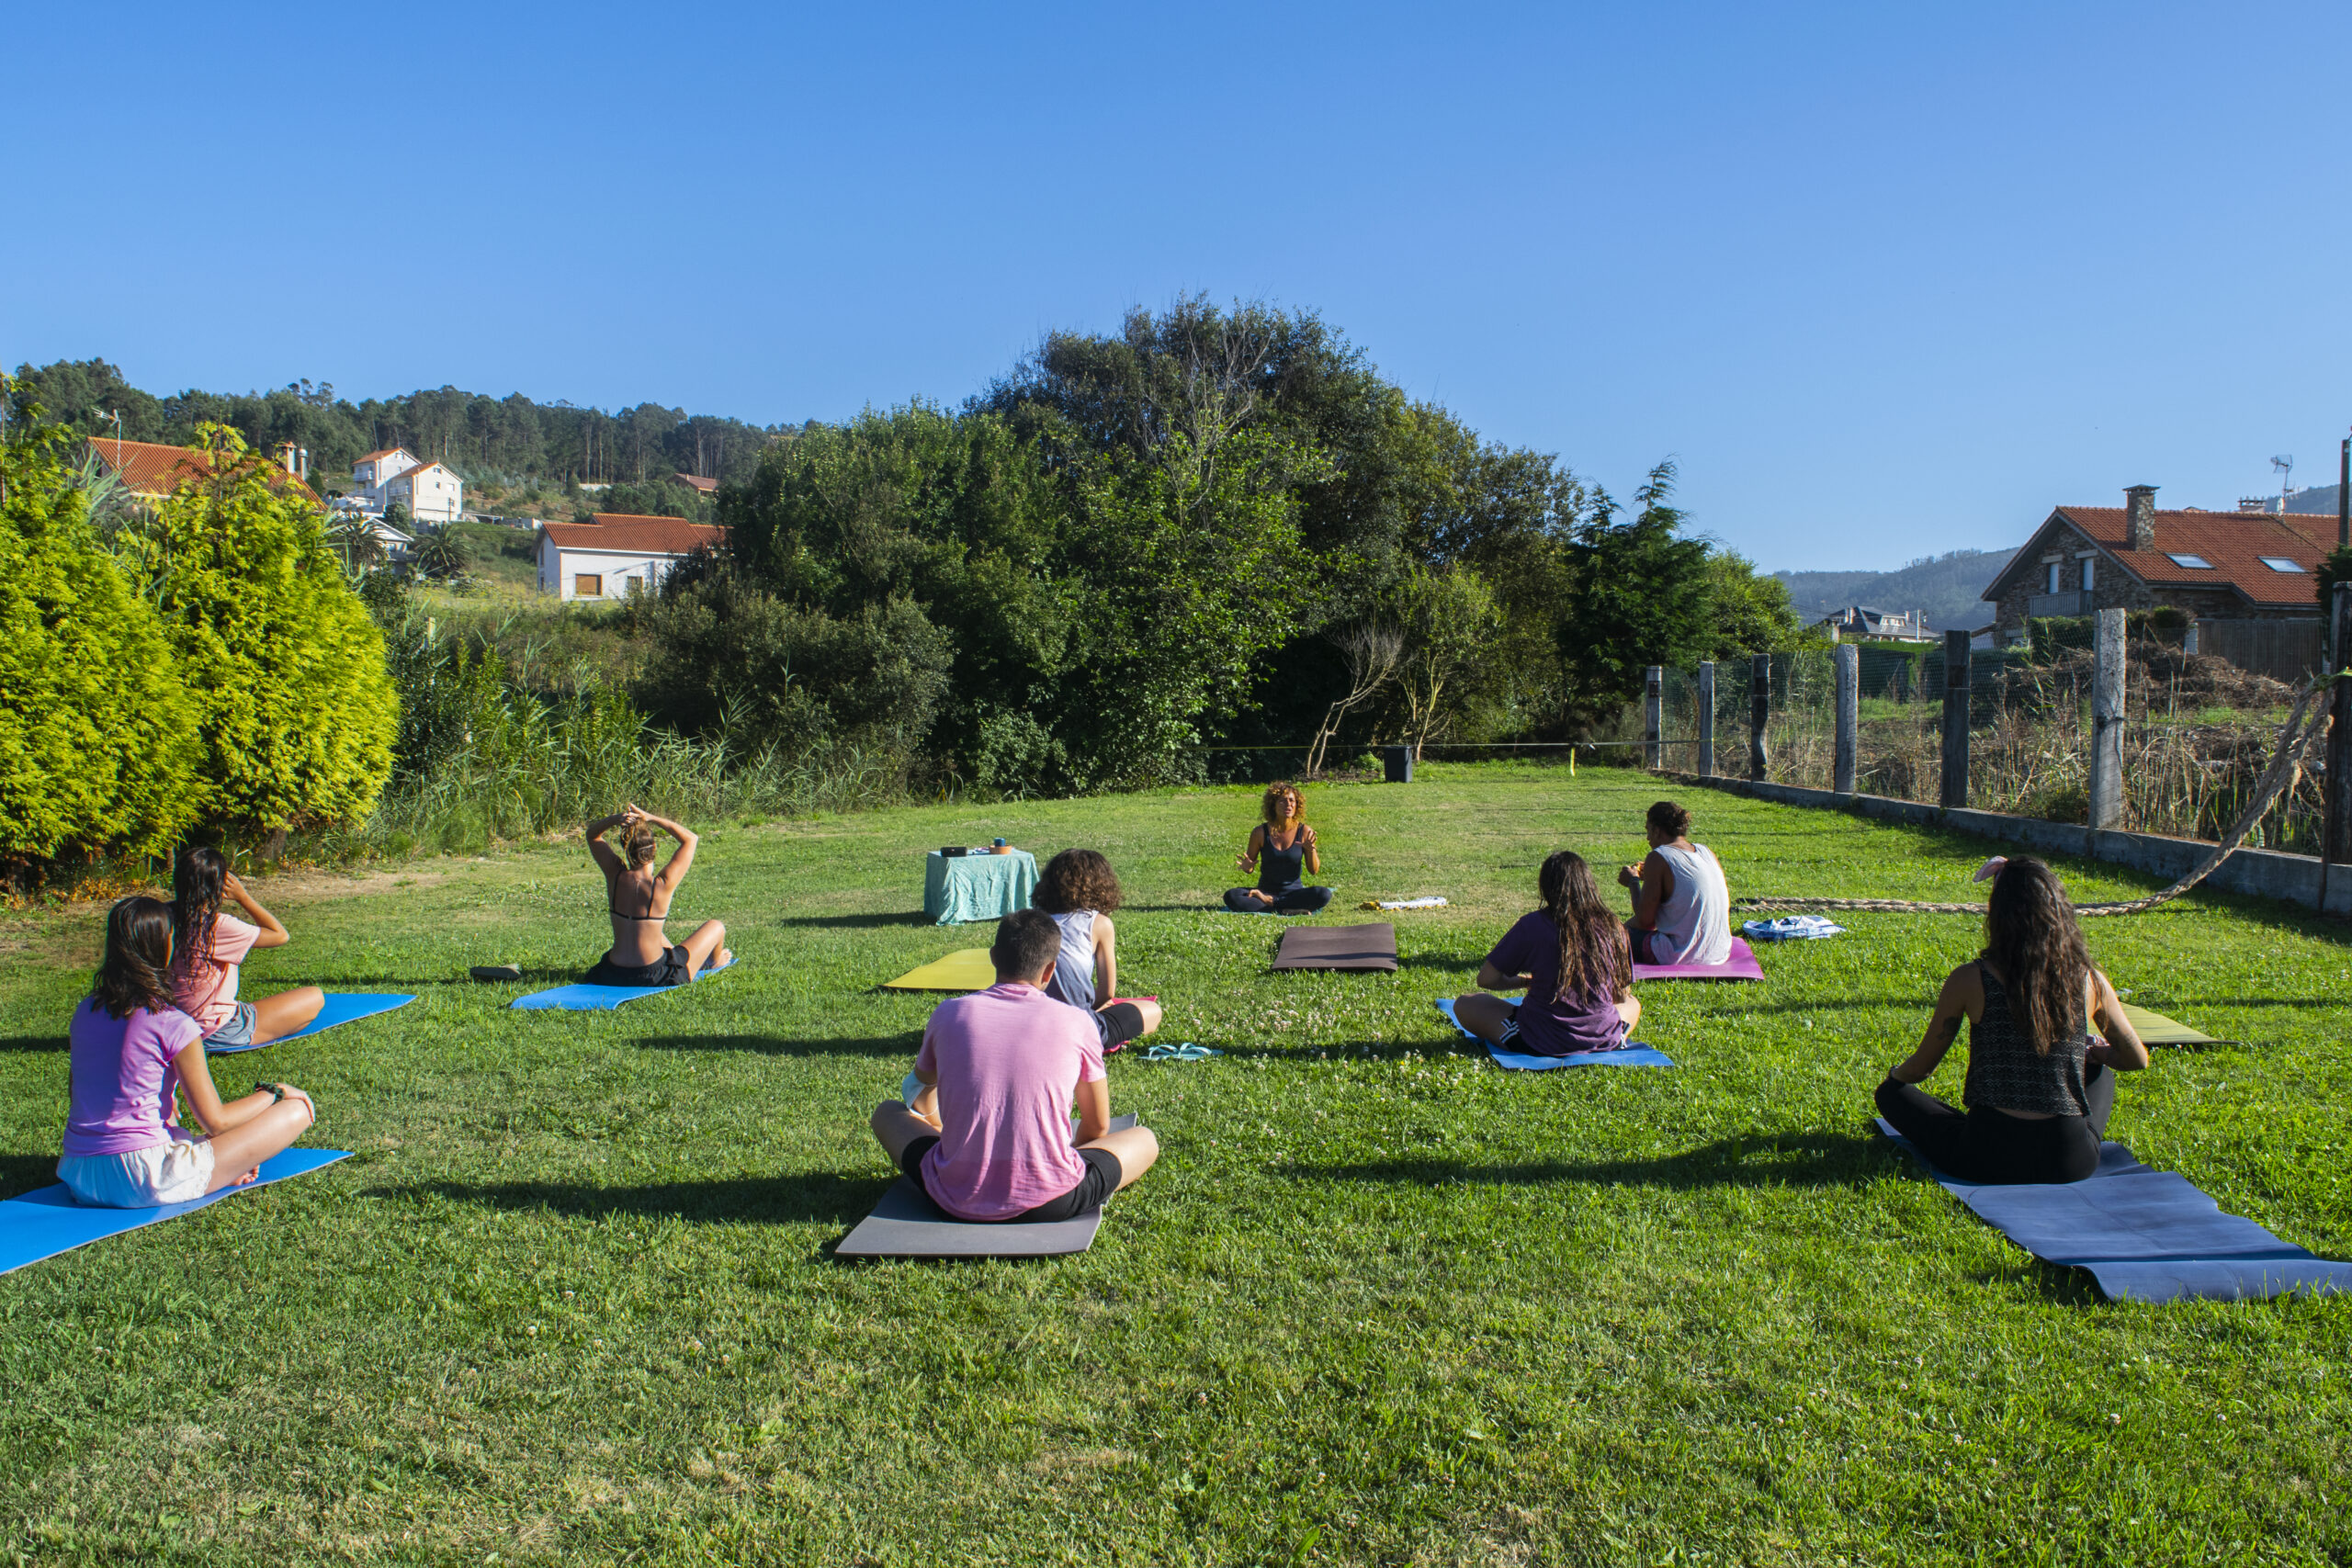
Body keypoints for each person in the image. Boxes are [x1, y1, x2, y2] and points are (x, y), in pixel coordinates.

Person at [870, 908, 1159, 1223]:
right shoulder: (1078, 1023)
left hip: (953, 1195)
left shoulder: (949, 1013)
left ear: (993, 957)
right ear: (1049, 970)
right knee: (1144, 1139)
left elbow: (920, 1089)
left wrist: (943, 1132)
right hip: (1052, 1199)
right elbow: (1097, 1126)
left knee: (887, 1112)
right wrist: (1057, 1161)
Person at [1875, 857, 2150, 1185]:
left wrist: (1894, 1078)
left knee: (1891, 1095)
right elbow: (2136, 1059)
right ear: (2060, 915)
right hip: (2069, 1162)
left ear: (1997, 915)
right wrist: (2099, 1054)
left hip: (1985, 1156)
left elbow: (1920, 1069)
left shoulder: (1969, 978)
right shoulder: (2090, 980)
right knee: (2100, 1072)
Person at [61, 896, 319, 1208]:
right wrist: (274, 1092)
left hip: (79, 1175)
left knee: (194, 1141)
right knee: (297, 1110)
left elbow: (81, 1097)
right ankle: (219, 1170)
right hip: (143, 1179)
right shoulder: (172, 1023)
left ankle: (220, 1167)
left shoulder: (85, 1011)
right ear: (163, 947)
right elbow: (217, 1122)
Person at [1453, 851, 1641, 1054]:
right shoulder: (1613, 926)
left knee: (1465, 1004)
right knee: (1632, 1003)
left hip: (1540, 1039)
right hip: (1603, 1037)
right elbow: (1621, 995)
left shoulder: (1532, 925)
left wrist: (1526, 981)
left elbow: (1486, 979)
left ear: (1546, 888)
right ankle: (1615, 1036)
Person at [169, 847, 324, 1051]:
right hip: (213, 1030)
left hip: (171, 1026)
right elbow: (280, 935)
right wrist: (243, 897)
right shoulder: (215, 926)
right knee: (315, 997)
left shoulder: (162, 916)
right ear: (219, 886)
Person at [1032, 849, 1164, 1054]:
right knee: (1152, 1011)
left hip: (1029, 1022)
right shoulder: (1098, 924)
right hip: (1075, 1028)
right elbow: (1106, 993)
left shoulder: (1029, 920)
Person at [583, 804, 730, 987]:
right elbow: (690, 839)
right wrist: (651, 817)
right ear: (653, 848)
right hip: (653, 974)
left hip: (612, 971)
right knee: (716, 926)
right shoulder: (662, 884)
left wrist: (616, 819)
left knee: (654, 933)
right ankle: (714, 962)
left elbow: (592, 835)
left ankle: (699, 959)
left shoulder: (615, 875)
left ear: (627, 850)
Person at [1617, 799, 1732, 965]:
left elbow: (1645, 921)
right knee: (1623, 930)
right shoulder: (1706, 852)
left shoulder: (1659, 856)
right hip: (1718, 951)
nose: (1648, 838)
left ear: (1657, 830)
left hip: (1680, 955)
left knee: (1611, 937)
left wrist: (1633, 882)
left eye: (1648, 831)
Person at [1224, 782, 1333, 913]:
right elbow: (1250, 867)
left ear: (1297, 804)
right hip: (1264, 892)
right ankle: (1285, 909)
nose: (1288, 804)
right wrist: (1247, 867)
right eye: (1282, 801)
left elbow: (1314, 870)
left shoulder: (1304, 831)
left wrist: (1311, 851)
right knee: (1231, 896)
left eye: (1292, 800)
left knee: (1323, 894)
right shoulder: (1260, 832)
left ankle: (1273, 905)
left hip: (1294, 894)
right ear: (1273, 805)